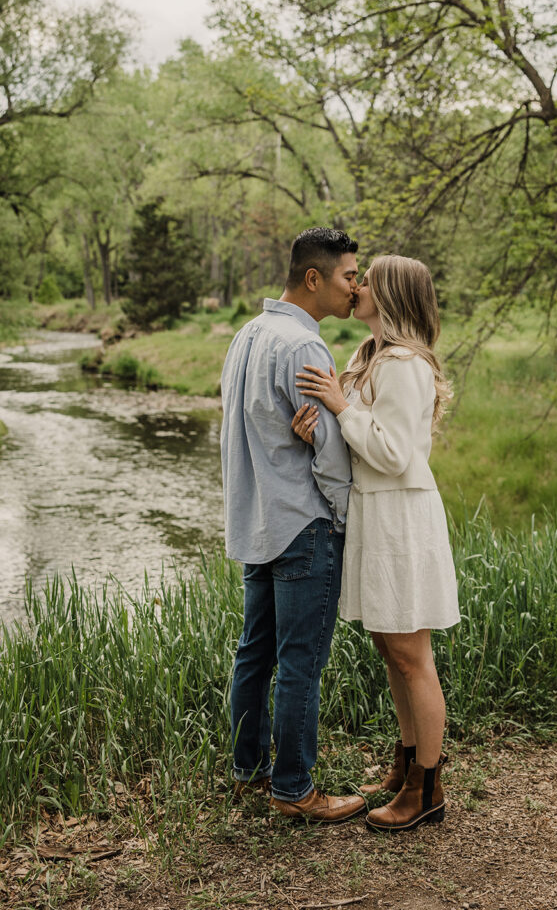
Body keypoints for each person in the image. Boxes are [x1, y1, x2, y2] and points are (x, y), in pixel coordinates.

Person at [293, 254, 460, 832]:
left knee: (413, 655)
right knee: (390, 649)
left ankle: (428, 788)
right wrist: (320, 428)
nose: (357, 286)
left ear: (389, 295)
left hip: (402, 518)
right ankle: (406, 764)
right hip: (374, 515)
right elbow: (356, 438)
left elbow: (391, 453)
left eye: (368, 280)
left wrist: (340, 406)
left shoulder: (406, 365)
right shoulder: (367, 357)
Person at [220, 227, 366, 823]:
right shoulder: (305, 347)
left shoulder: (246, 336)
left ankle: (249, 772)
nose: (355, 288)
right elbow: (330, 452)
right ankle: (295, 790)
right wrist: (345, 511)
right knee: (301, 659)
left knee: (254, 653)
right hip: (304, 522)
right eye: (349, 276)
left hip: (258, 521)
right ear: (315, 278)